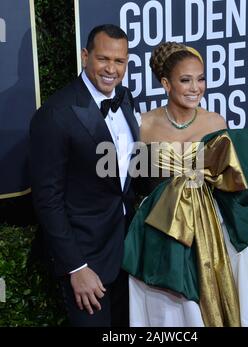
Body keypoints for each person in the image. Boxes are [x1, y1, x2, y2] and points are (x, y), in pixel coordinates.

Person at [122, 41, 248, 327]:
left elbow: (229, 177)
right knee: (173, 310)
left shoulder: (215, 122)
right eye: (185, 80)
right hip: (163, 226)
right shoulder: (143, 124)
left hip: (210, 223)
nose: (195, 87)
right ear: (166, 83)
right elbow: (133, 180)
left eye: (200, 79)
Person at [30, 24, 139, 327]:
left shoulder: (128, 99)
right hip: (86, 260)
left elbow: (130, 174)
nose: (111, 69)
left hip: (128, 253)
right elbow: (47, 200)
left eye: (120, 62)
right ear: (84, 56)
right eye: (104, 59)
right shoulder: (55, 115)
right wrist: (75, 267)